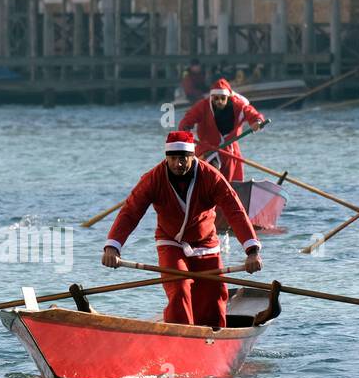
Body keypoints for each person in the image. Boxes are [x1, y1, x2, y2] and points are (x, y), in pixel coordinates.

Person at [102, 131, 262, 329]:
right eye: (173, 158)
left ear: (193, 156)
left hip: (205, 243)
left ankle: (214, 340)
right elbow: (130, 212)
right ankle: (181, 337)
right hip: (171, 242)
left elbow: (235, 212)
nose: (178, 164)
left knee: (214, 295)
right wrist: (113, 247)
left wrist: (252, 251)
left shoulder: (211, 177)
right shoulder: (152, 179)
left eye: (183, 159)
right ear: (166, 157)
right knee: (179, 287)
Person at [178, 77, 268, 184]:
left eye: (222, 98)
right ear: (211, 97)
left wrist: (257, 122)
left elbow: (253, 114)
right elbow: (187, 120)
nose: (219, 101)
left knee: (229, 182)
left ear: (228, 97)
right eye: (215, 98)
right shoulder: (203, 106)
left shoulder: (239, 106)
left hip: (230, 152)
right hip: (207, 148)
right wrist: (185, 132)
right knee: (211, 172)